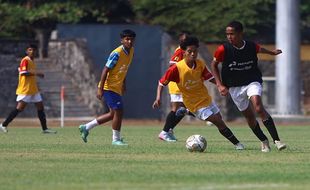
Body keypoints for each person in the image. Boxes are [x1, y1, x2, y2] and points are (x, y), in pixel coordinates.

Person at [153, 36, 245, 150]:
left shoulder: (200, 64)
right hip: (193, 103)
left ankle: (186, 111)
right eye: (189, 51)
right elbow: (161, 83)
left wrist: (221, 85)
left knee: (219, 118)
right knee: (217, 121)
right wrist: (158, 98)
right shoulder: (176, 69)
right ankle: (238, 144)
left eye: (195, 51)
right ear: (183, 52)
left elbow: (210, 77)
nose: (192, 54)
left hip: (205, 98)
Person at [210, 21, 286, 152]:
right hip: (234, 87)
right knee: (249, 117)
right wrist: (219, 84)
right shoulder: (223, 49)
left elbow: (260, 49)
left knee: (258, 107)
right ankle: (264, 140)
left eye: (232, 34)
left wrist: (272, 53)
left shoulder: (250, 46)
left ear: (240, 34)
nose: (229, 37)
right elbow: (214, 65)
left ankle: (277, 141)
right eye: (227, 34)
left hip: (252, 81)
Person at [78, 29, 136, 146]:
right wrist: (100, 88)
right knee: (119, 111)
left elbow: (123, 69)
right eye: (127, 39)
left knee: (112, 114)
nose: (129, 41)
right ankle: (115, 139)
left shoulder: (131, 51)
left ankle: (86, 127)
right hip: (108, 87)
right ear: (122, 40)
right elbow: (105, 69)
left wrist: (123, 83)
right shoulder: (117, 53)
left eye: (131, 39)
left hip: (116, 87)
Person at [0, 44, 56, 134]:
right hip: (25, 89)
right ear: (26, 51)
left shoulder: (32, 61)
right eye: (30, 50)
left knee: (40, 107)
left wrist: (35, 74)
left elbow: (28, 72)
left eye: (33, 50)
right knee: (19, 109)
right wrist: (36, 73)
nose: (32, 51)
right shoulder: (25, 60)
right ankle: (3, 125)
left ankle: (45, 129)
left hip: (33, 89)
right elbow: (23, 73)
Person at [158, 32, 191, 142]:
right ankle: (164, 132)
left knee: (183, 109)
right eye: (182, 40)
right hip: (176, 84)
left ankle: (169, 130)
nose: (184, 42)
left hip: (182, 84)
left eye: (186, 40)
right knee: (177, 108)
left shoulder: (187, 51)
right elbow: (172, 65)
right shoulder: (180, 51)